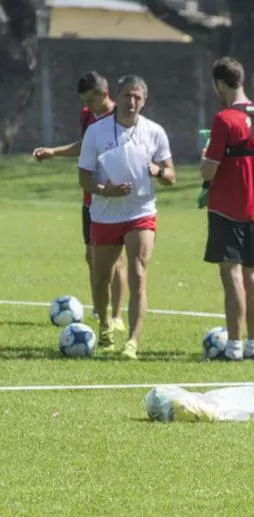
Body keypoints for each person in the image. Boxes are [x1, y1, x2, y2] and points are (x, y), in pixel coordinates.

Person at [77, 75, 175, 360]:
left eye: (137, 97)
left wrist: (157, 171)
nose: (131, 102)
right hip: (105, 214)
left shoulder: (154, 132)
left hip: (140, 212)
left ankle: (132, 340)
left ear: (144, 101)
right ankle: (106, 327)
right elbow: (83, 177)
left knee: (138, 274)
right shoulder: (96, 132)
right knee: (100, 279)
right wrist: (104, 190)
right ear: (116, 97)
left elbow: (171, 175)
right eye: (127, 96)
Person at [33, 71, 128, 333]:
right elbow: (84, 146)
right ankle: (100, 310)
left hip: (116, 198)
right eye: (83, 100)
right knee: (92, 256)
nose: (87, 105)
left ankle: (117, 315)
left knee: (116, 259)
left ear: (104, 93)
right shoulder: (88, 115)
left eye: (90, 99)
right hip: (91, 197)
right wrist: (53, 152)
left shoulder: (122, 116)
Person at [200, 57, 254, 361]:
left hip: (226, 210)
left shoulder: (224, 119)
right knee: (252, 275)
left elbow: (207, 171)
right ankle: (253, 345)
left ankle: (233, 347)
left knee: (231, 275)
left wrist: (204, 157)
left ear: (220, 83)